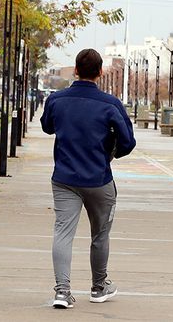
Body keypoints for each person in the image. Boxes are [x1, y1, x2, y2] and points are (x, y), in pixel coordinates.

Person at [40, 49, 136, 309]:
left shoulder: (57, 100)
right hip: (99, 179)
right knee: (100, 234)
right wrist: (112, 151)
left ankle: (62, 291)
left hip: (64, 178)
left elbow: (47, 126)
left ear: (76, 70)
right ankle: (98, 286)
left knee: (62, 232)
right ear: (101, 72)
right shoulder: (111, 105)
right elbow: (128, 142)